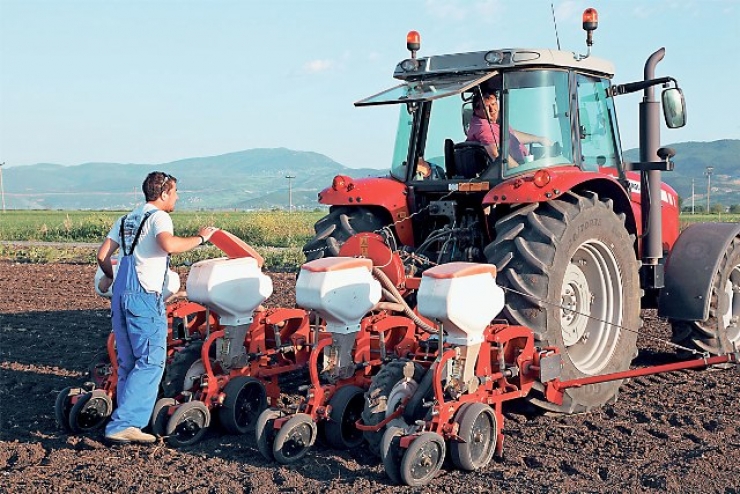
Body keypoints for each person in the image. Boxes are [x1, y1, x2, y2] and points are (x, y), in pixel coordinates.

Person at [96, 171, 218, 444]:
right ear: (163, 194)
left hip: (121, 294)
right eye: (175, 192)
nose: (177, 197)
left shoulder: (126, 218)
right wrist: (201, 239)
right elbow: (168, 245)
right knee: (151, 361)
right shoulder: (159, 217)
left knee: (128, 362)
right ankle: (125, 423)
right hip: (144, 295)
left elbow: (103, 255)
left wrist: (108, 275)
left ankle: (122, 419)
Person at [466, 89, 552, 169]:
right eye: (487, 107)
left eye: (494, 104)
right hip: (515, 171)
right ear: (476, 110)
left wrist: (538, 139)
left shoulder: (490, 123)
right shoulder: (484, 128)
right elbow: (497, 154)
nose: (493, 109)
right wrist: (519, 171)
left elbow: (510, 134)